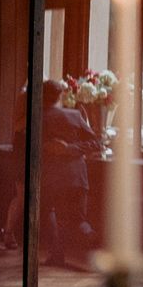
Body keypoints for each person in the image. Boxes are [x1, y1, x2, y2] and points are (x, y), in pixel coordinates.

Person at [38, 79, 100, 266]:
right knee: (77, 220)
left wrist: (56, 148)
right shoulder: (74, 115)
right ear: (60, 95)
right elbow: (97, 143)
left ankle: (58, 254)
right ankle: (96, 245)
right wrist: (71, 148)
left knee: (51, 215)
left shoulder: (37, 117)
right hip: (77, 176)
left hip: (52, 177)